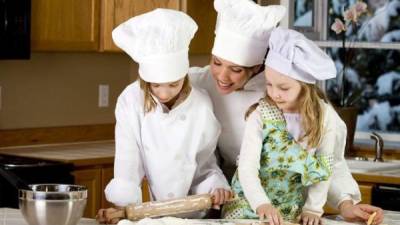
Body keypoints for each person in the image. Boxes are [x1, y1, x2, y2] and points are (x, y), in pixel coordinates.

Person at [189, 0, 384, 224]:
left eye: (236, 70)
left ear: (257, 66)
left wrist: (346, 204)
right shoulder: (200, 81)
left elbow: (329, 162)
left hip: (286, 204)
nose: (222, 77)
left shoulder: (281, 89)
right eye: (216, 62)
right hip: (232, 199)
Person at [96, 9, 231, 224]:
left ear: (184, 77)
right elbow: (128, 160)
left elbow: (204, 164)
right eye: (156, 85)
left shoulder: (201, 104)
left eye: (173, 84)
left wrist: (215, 186)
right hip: (152, 214)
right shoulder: (130, 100)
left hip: (196, 213)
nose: (164, 93)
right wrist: (124, 209)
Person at [222, 27, 339, 225]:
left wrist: (312, 209)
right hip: (247, 207)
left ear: (305, 86)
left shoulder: (324, 116)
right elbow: (247, 167)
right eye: (269, 84)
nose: (274, 94)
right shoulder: (261, 115)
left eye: (284, 88)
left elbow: (324, 168)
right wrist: (261, 204)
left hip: (289, 210)